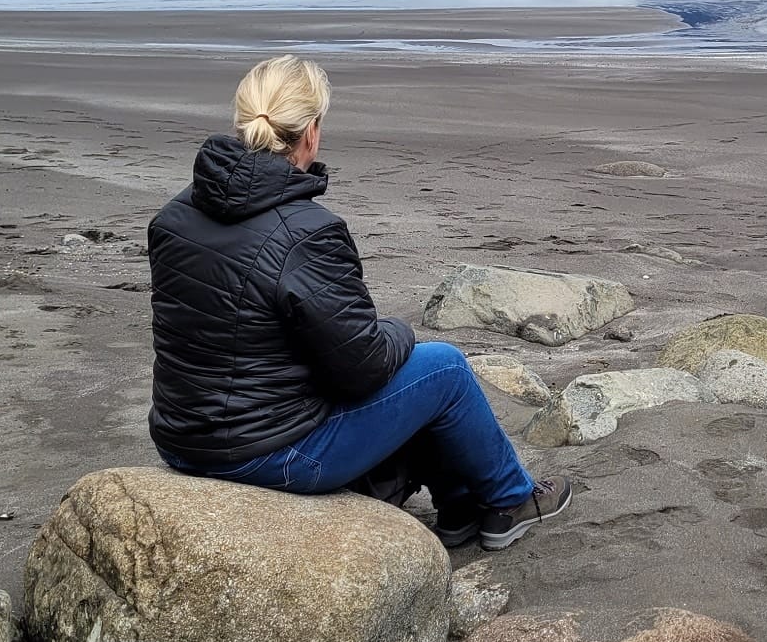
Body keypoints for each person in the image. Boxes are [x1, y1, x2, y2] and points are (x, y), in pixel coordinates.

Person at [146, 55, 572, 550]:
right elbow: (363, 369)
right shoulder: (307, 232)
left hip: (182, 439)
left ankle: (460, 509)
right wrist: (400, 331)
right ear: (311, 132)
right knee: (442, 369)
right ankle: (511, 498)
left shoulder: (173, 215)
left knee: (408, 377)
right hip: (268, 454)